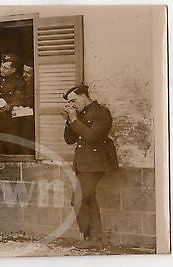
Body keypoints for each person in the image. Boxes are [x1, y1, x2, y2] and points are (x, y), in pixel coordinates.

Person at [62, 84, 118, 249]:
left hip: (96, 164)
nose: (72, 105)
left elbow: (93, 137)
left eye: (74, 100)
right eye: (69, 102)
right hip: (83, 163)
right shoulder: (80, 114)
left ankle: (90, 236)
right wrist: (68, 120)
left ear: (84, 96)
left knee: (77, 199)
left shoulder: (101, 112)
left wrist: (74, 119)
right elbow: (69, 140)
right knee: (89, 199)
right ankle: (94, 238)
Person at [0, 53, 25, 154]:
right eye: (1, 66)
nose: (2, 69)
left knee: (10, 146)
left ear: (13, 70)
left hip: (10, 119)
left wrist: (8, 106)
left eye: (6, 68)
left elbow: (19, 100)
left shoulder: (19, 82)